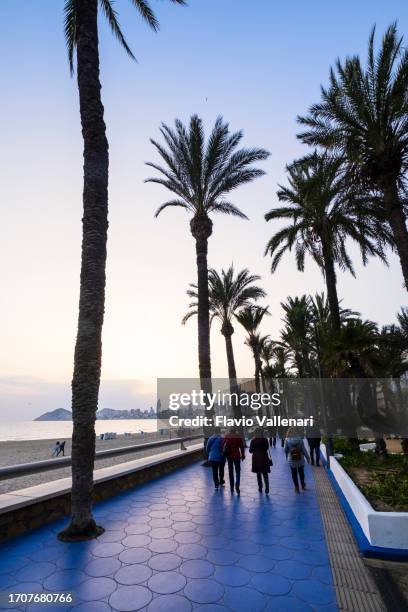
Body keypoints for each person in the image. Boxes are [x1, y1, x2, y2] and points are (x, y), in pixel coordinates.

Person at [285, 427, 310, 493]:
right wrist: (308, 458)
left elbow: (285, 450)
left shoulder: (287, 440)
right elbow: (304, 450)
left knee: (294, 474)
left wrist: (288, 453)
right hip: (300, 459)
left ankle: (296, 487)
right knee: (301, 472)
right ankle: (303, 485)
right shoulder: (300, 440)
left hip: (291, 459)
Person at [222, 427, 245, 495]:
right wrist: (243, 455)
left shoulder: (227, 436)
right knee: (238, 471)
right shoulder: (238, 437)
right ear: (235, 431)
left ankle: (231, 487)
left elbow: (222, 445)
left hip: (229, 456)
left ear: (230, 431)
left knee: (230, 471)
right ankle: (237, 484)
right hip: (237, 456)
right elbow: (242, 447)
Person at [249, 428, 272, 494]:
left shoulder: (253, 440)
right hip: (264, 458)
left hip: (256, 459)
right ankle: (267, 487)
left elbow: (250, 451)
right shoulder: (265, 440)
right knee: (265, 474)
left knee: (258, 474)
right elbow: (267, 448)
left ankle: (260, 487)